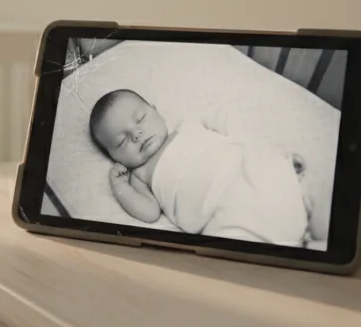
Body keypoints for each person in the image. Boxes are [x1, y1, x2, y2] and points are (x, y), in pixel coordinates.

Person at [89, 89, 316, 247]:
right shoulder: (140, 176)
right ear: (113, 157)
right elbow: (149, 213)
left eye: (140, 118)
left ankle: (305, 206)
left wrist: (259, 152)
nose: (136, 134)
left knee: (275, 171)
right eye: (121, 141)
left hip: (246, 172)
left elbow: (229, 129)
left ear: (156, 110)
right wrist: (120, 187)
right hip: (221, 211)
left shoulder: (188, 125)